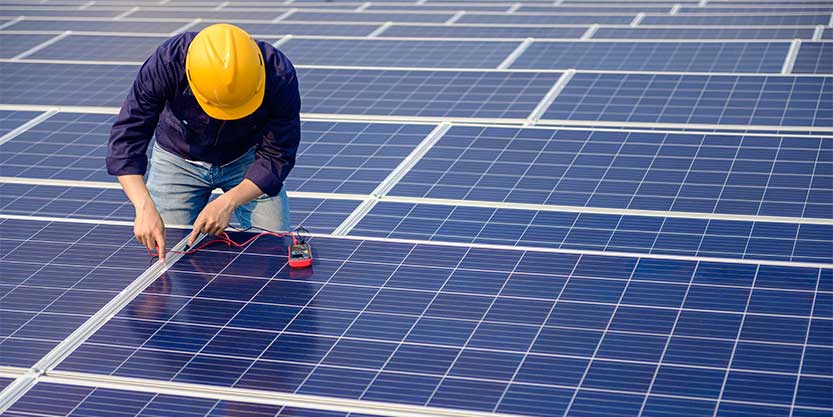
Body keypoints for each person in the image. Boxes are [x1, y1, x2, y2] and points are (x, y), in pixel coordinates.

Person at [106, 23, 300, 261]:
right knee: (166, 254)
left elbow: (277, 154)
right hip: (177, 159)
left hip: (246, 162)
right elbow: (128, 136)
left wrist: (228, 202)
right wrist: (143, 206)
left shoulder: (278, 74)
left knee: (273, 247)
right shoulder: (167, 62)